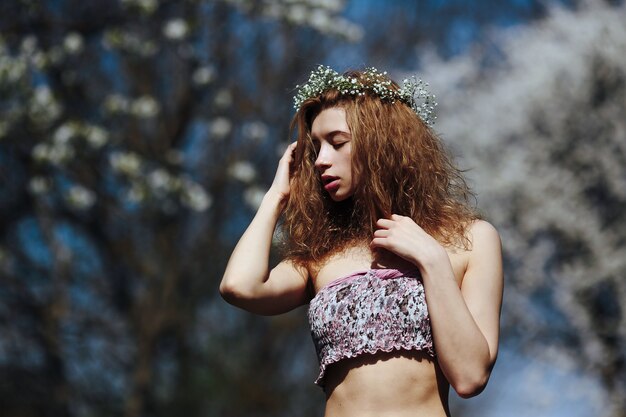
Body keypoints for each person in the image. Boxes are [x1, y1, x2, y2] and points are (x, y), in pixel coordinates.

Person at [220, 65, 503, 416]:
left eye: (337, 143)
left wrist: (431, 261)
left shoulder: (470, 239)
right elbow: (238, 286)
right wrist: (276, 196)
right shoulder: (319, 255)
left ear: (381, 145)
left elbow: (470, 376)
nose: (321, 160)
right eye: (315, 150)